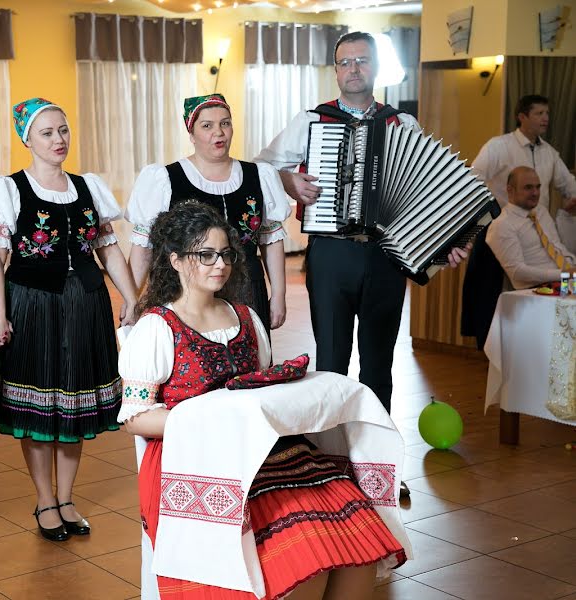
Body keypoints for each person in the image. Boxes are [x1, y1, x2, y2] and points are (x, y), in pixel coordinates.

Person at [118, 202, 406, 600]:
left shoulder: (247, 319)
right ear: (177, 261)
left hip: (263, 450)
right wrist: (213, 420)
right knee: (307, 556)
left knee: (361, 538)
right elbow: (134, 418)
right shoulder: (156, 327)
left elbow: (262, 393)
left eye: (226, 254)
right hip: (193, 458)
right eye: (206, 255)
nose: (220, 264)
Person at [254, 33, 467, 501]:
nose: (353, 69)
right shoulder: (313, 120)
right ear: (336, 71)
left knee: (378, 365)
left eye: (361, 61)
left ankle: (380, 467)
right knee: (330, 362)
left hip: (386, 256)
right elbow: (264, 167)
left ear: (375, 68)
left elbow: (426, 188)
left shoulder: (401, 122)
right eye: (344, 62)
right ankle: (329, 466)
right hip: (331, 252)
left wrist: (444, 242)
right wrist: (292, 181)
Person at [0, 97, 138, 542]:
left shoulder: (89, 187)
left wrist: (130, 296)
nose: (58, 140)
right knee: (39, 408)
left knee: (75, 406)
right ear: (27, 139)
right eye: (47, 133)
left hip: (85, 303)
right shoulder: (9, 189)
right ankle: (45, 500)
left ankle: (67, 498)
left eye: (63, 130)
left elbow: (108, 249)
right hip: (32, 302)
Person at [127, 93, 291, 331]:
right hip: (187, 296)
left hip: (247, 291)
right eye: (207, 125)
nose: (219, 132)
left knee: (250, 362)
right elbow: (143, 246)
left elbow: (271, 240)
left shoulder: (260, 176)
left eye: (225, 123)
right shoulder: (165, 179)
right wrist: (132, 298)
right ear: (191, 134)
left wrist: (279, 294)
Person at [471, 94, 576, 253]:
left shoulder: (549, 152)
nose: (545, 118)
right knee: (487, 278)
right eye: (539, 113)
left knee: (561, 272)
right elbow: (473, 180)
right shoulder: (498, 146)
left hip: (535, 232)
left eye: (547, 113)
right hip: (498, 228)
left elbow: (569, 184)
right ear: (522, 117)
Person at [486, 166, 575, 289]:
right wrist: (563, 274)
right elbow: (517, 272)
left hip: (567, 282)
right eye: (528, 187)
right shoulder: (501, 225)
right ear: (510, 190)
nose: (535, 193)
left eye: (538, 187)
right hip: (540, 290)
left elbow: (557, 246)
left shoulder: (541, 211)